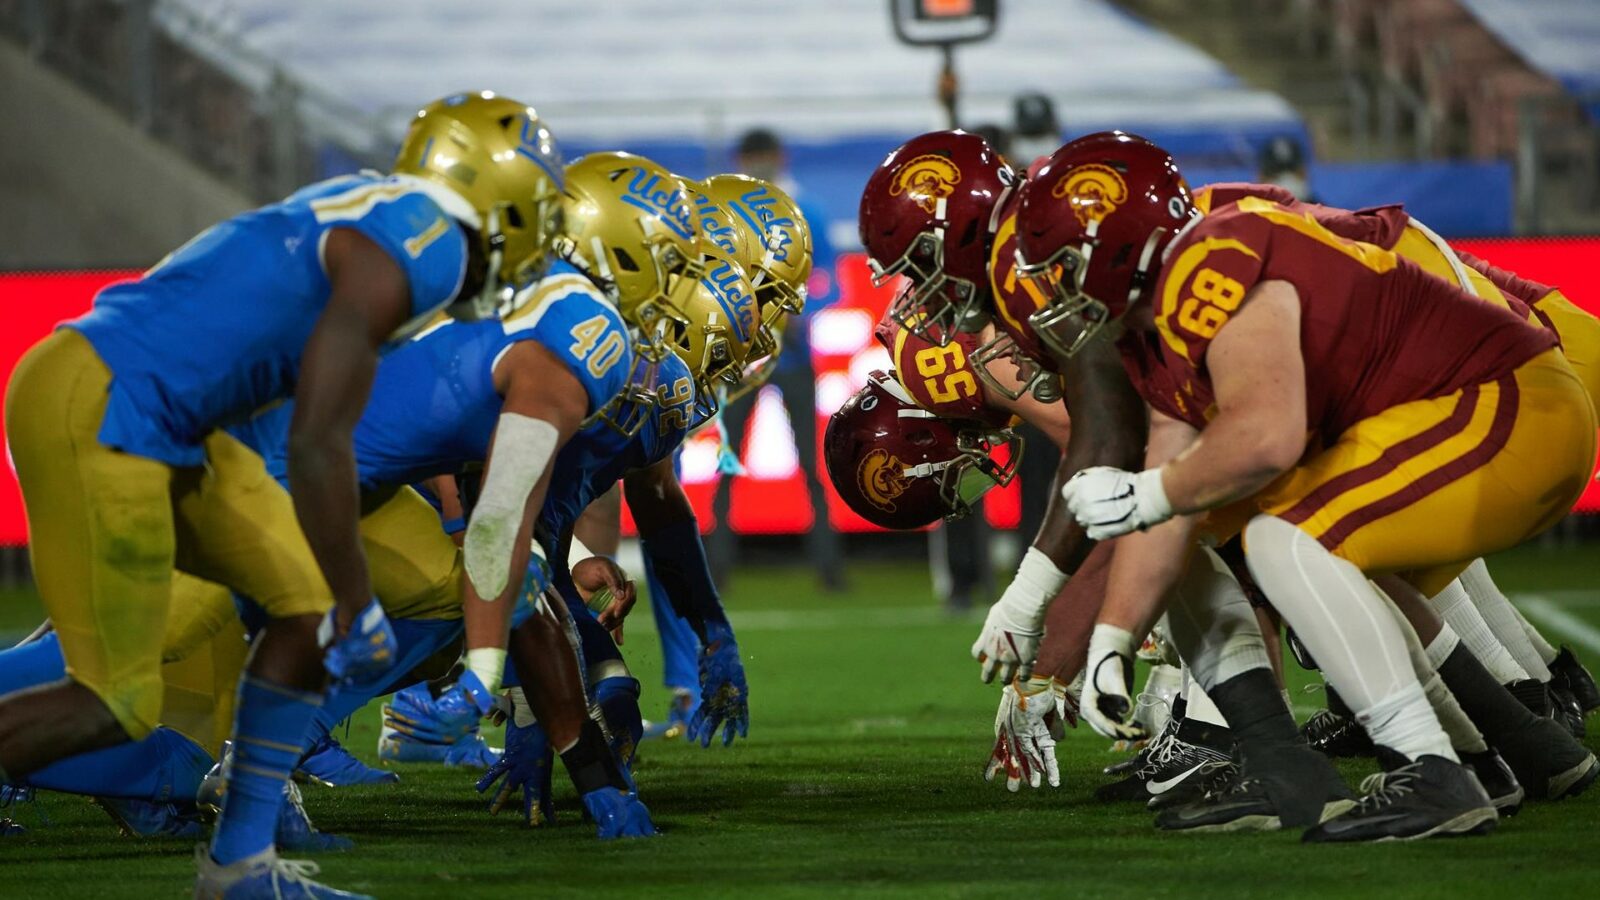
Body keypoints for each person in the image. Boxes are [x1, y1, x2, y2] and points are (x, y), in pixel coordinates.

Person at [0, 90, 565, 898]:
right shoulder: (431, 240)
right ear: (497, 193)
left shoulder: (386, 210)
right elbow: (318, 437)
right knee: (114, 700)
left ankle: (241, 867)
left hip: (172, 414)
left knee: (300, 611)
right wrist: (358, 594)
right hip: (114, 402)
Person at [1017, 131, 1596, 840]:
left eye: (1062, 265)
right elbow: (1177, 482)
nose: (1052, 289)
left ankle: (1433, 770)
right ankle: (1473, 762)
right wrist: (1114, 637)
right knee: (1253, 527)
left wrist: (1151, 496)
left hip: (1506, 406)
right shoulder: (1155, 322)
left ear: (1117, 246)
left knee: (1285, 540)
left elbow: (1266, 436)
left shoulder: (1212, 256)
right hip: (1476, 411)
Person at [707, 128, 845, 592]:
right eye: (752, 157)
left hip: (791, 353)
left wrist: (798, 314)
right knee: (728, 463)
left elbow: (833, 281)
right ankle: (716, 570)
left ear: (777, 157)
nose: (760, 164)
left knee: (811, 463)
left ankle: (829, 570)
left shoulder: (806, 209)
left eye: (764, 157)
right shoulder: (722, 213)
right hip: (741, 356)